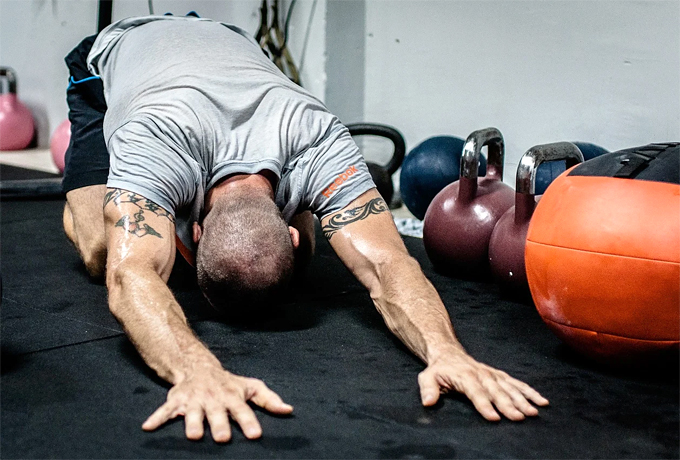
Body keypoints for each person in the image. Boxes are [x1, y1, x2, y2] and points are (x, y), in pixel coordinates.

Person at [61, 14, 548, 444]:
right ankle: (103, 205)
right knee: (103, 251)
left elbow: (388, 264)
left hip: (227, 42)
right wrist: (195, 371)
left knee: (170, 254)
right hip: (119, 53)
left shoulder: (318, 138)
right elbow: (128, 275)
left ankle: (171, 220)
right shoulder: (153, 138)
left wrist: (448, 354)